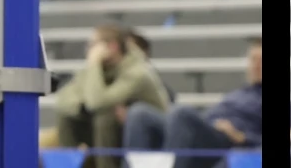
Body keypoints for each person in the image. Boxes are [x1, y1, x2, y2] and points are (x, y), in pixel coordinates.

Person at [123, 38, 262, 168]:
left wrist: (242, 137)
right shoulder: (239, 92)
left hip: (225, 142)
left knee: (181, 113)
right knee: (139, 113)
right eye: (253, 60)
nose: (255, 66)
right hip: (205, 128)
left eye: (261, 61)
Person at [53, 24, 168, 168]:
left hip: (148, 135)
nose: (89, 50)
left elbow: (97, 103)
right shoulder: (99, 69)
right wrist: (80, 105)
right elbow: (64, 100)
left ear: (112, 46)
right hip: (115, 133)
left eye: (93, 45)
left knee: (105, 116)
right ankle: (71, 165)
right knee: (67, 116)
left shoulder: (137, 72)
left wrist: (93, 65)